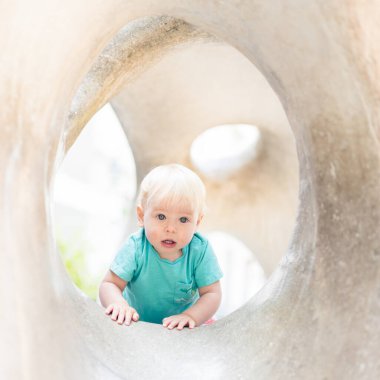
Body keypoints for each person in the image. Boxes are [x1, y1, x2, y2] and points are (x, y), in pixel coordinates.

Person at [99, 164, 223, 330]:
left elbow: (212, 294)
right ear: (142, 216)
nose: (171, 228)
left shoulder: (199, 250)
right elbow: (109, 284)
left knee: (211, 330)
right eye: (161, 216)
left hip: (183, 326)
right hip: (138, 322)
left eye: (183, 220)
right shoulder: (136, 247)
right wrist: (119, 304)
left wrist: (190, 316)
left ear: (197, 222)